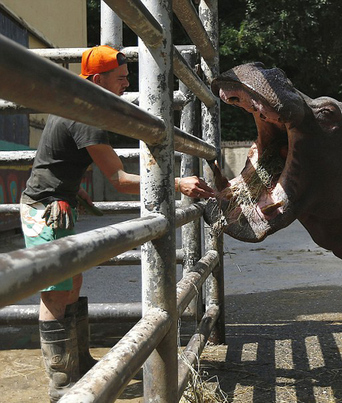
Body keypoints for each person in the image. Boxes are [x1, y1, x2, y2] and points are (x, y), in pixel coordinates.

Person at [19, 45, 216, 402]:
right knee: (54, 292)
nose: (127, 84)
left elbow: (57, 158)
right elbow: (120, 180)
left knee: (72, 280)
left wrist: (71, 189)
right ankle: (61, 382)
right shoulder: (87, 114)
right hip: (45, 207)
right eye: (121, 78)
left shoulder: (80, 102)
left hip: (58, 202)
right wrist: (176, 183)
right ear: (98, 79)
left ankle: (78, 364)